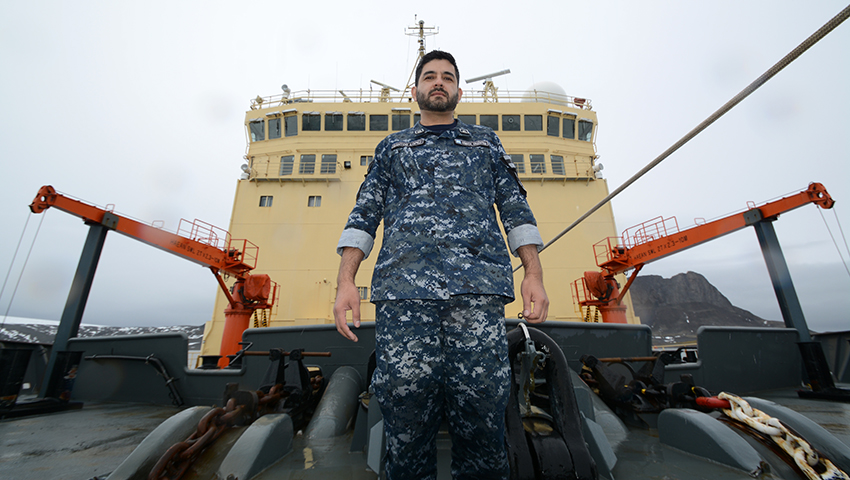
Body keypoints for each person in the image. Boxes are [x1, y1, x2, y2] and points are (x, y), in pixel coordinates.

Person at [333, 50, 548, 480]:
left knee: (484, 412)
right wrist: (345, 281)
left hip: (477, 297)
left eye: (447, 77)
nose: (438, 82)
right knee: (406, 416)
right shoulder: (392, 148)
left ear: (458, 90)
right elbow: (364, 213)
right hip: (404, 300)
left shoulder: (485, 143)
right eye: (429, 76)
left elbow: (515, 208)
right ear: (415, 91)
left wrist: (534, 275)